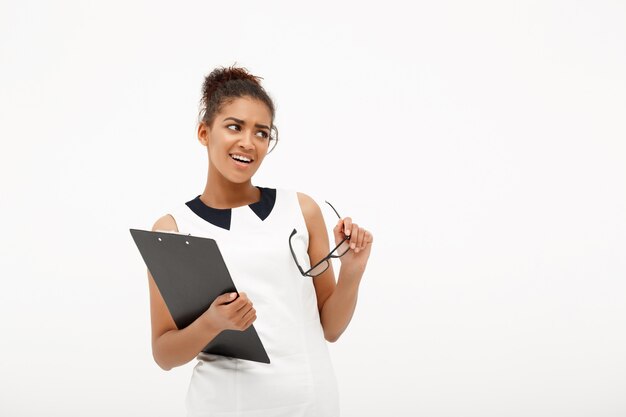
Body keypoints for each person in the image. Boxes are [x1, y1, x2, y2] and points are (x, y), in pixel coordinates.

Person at [147, 64, 374, 417]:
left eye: (262, 133)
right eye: (234, 127)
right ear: (204, 133)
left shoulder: (301, 209)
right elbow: (164, 354)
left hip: (310, 403)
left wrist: (353, 271)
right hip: (223, 407)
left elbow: (330, 328)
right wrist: (212, 323)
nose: (248, 143)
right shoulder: (174, 229)